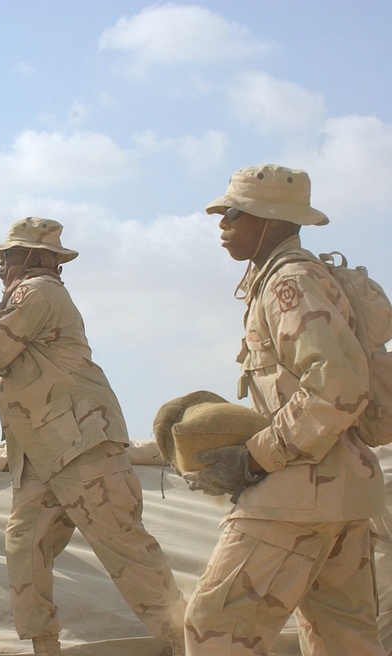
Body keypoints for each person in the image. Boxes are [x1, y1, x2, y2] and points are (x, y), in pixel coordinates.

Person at [0, 217, 185, 656]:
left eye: (7, 257)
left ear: (33, 258)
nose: (0, 266)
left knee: (128, 554)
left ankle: (191, 641)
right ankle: (45, 647)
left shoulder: (38, 292)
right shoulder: (27, 304)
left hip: (82, 450)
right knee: (25, 550)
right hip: (43, 458)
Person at [185, 164, 386, 654]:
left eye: (233, 213)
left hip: (297, 494)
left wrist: (254, 458)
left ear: (270, 220)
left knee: (216, 629)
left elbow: (336, 387)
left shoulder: (289, 282)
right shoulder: (281, 279)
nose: (222, 223)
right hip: (339, 493)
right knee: (346, 641)